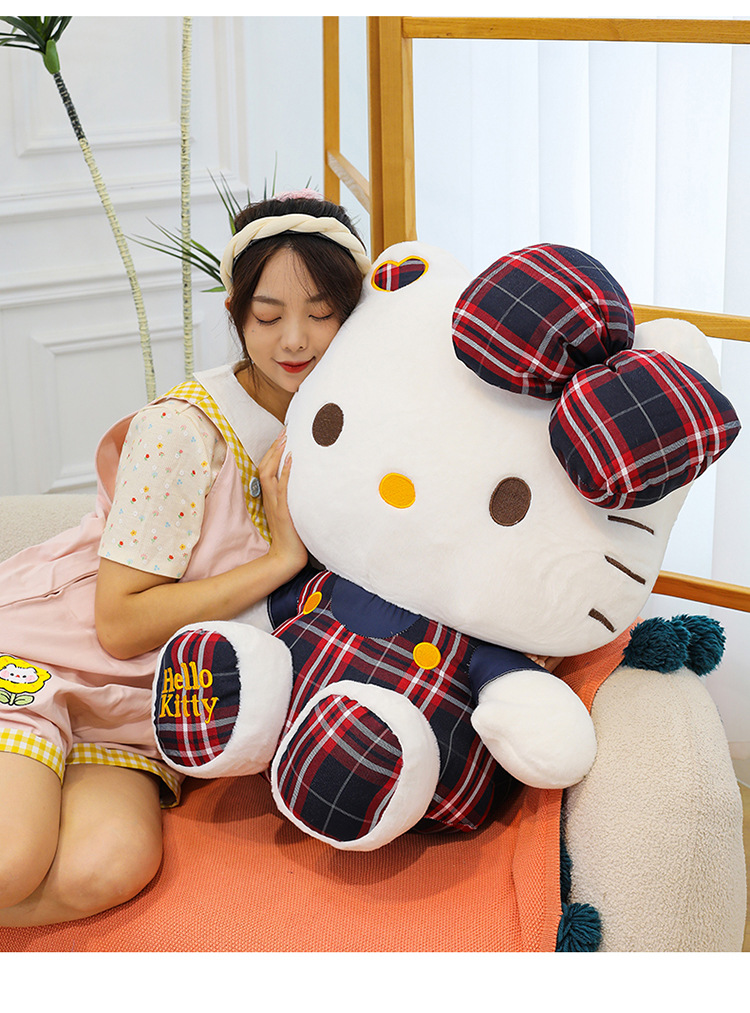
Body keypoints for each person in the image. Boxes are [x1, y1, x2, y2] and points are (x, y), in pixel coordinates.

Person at [0, 190, 369, 927]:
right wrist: (278, 561)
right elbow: (118, 624)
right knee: (11, 862)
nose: (295, 339)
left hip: (138, 711)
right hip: (44, 658)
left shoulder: (347, 428)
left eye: (323, 313)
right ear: (236, 313)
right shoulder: (183, 430)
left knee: (106, 869)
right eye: (268, 316)